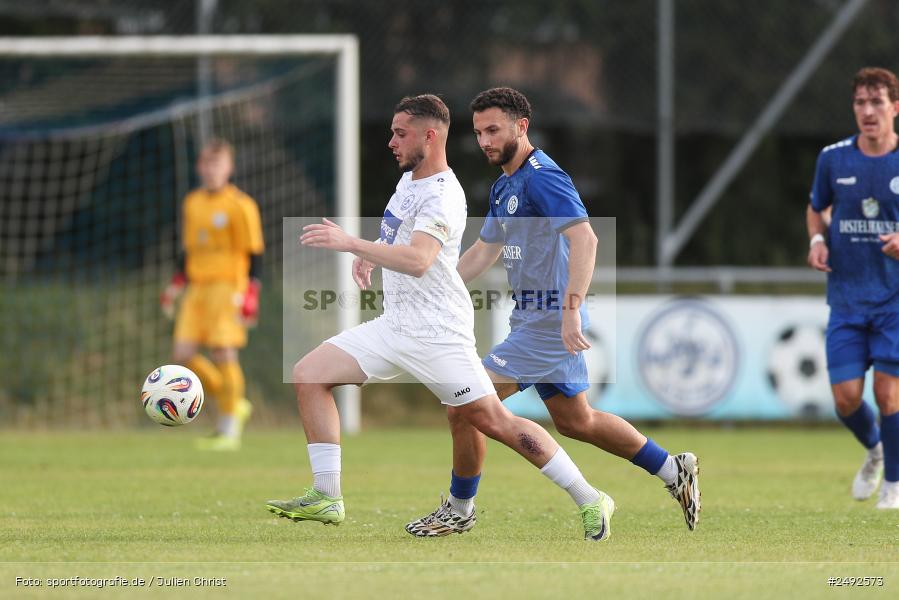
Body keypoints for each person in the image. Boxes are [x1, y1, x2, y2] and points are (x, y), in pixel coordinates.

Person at [265, 94, 616, 541]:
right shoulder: (409, 182)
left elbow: (418, 259)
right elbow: (397, 237)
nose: (391, 142)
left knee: (493, 421)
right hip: (395, 326)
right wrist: (372, 254)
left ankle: (590, 497)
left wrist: (352, 244)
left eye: (400, 133)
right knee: (308, 374)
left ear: (429, 136)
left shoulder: (444, 193)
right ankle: (327, 496)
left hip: (437, 334)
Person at [404, 87, 700, 537]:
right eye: (479, 132)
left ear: (522, 127)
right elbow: (485, 250)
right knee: (576, 421)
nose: (484, 141)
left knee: (464, 405)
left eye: (493, 130)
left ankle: (460, 510)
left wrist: (571, 311)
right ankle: (671, 469)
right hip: (531, 320)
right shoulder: (505, 184)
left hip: (547, 323)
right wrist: (435, 287)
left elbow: (586, 239)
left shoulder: (543, 176)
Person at [807, 66, 899, 509]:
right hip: (846, 299)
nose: (868, 111)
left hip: (894, 301)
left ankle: (895, 486)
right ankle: (877, 450)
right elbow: (815, 208)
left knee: (887, 394)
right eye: (861, 102)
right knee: (846, 399)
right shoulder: (834, 158)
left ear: (894, 108)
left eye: (876, 102)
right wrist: (818, 239)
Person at [160, 139, 264, 451]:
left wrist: (251, 292)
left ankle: (229, 428)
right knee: (181, 355)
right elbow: (189, 250)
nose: (211, 170)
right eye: (206, 164)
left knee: (223, 353)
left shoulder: (241, 205)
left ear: (229, 168)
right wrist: (176, 283)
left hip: (227, 287)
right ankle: (234, 401)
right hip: (197, 288)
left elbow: (255, 253)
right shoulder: (192, 202)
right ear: (199, 167)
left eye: (217, 164)